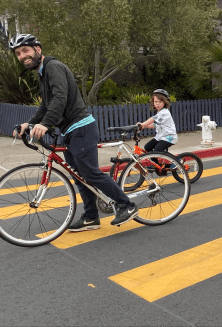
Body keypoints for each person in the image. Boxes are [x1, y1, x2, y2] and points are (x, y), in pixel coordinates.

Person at [10, 33, 137, 232]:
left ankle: (126, 205)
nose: (22, 56)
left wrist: (46, 124)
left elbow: (60, 97)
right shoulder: (42, 73)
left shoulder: (53, 67)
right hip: (69, 130)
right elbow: (46, 105)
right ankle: (91, 217)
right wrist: (30, 123)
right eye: (18, 53)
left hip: (81, 127)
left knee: (90, 173)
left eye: (25, 50)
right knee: (79, 176)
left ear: (38, 49)